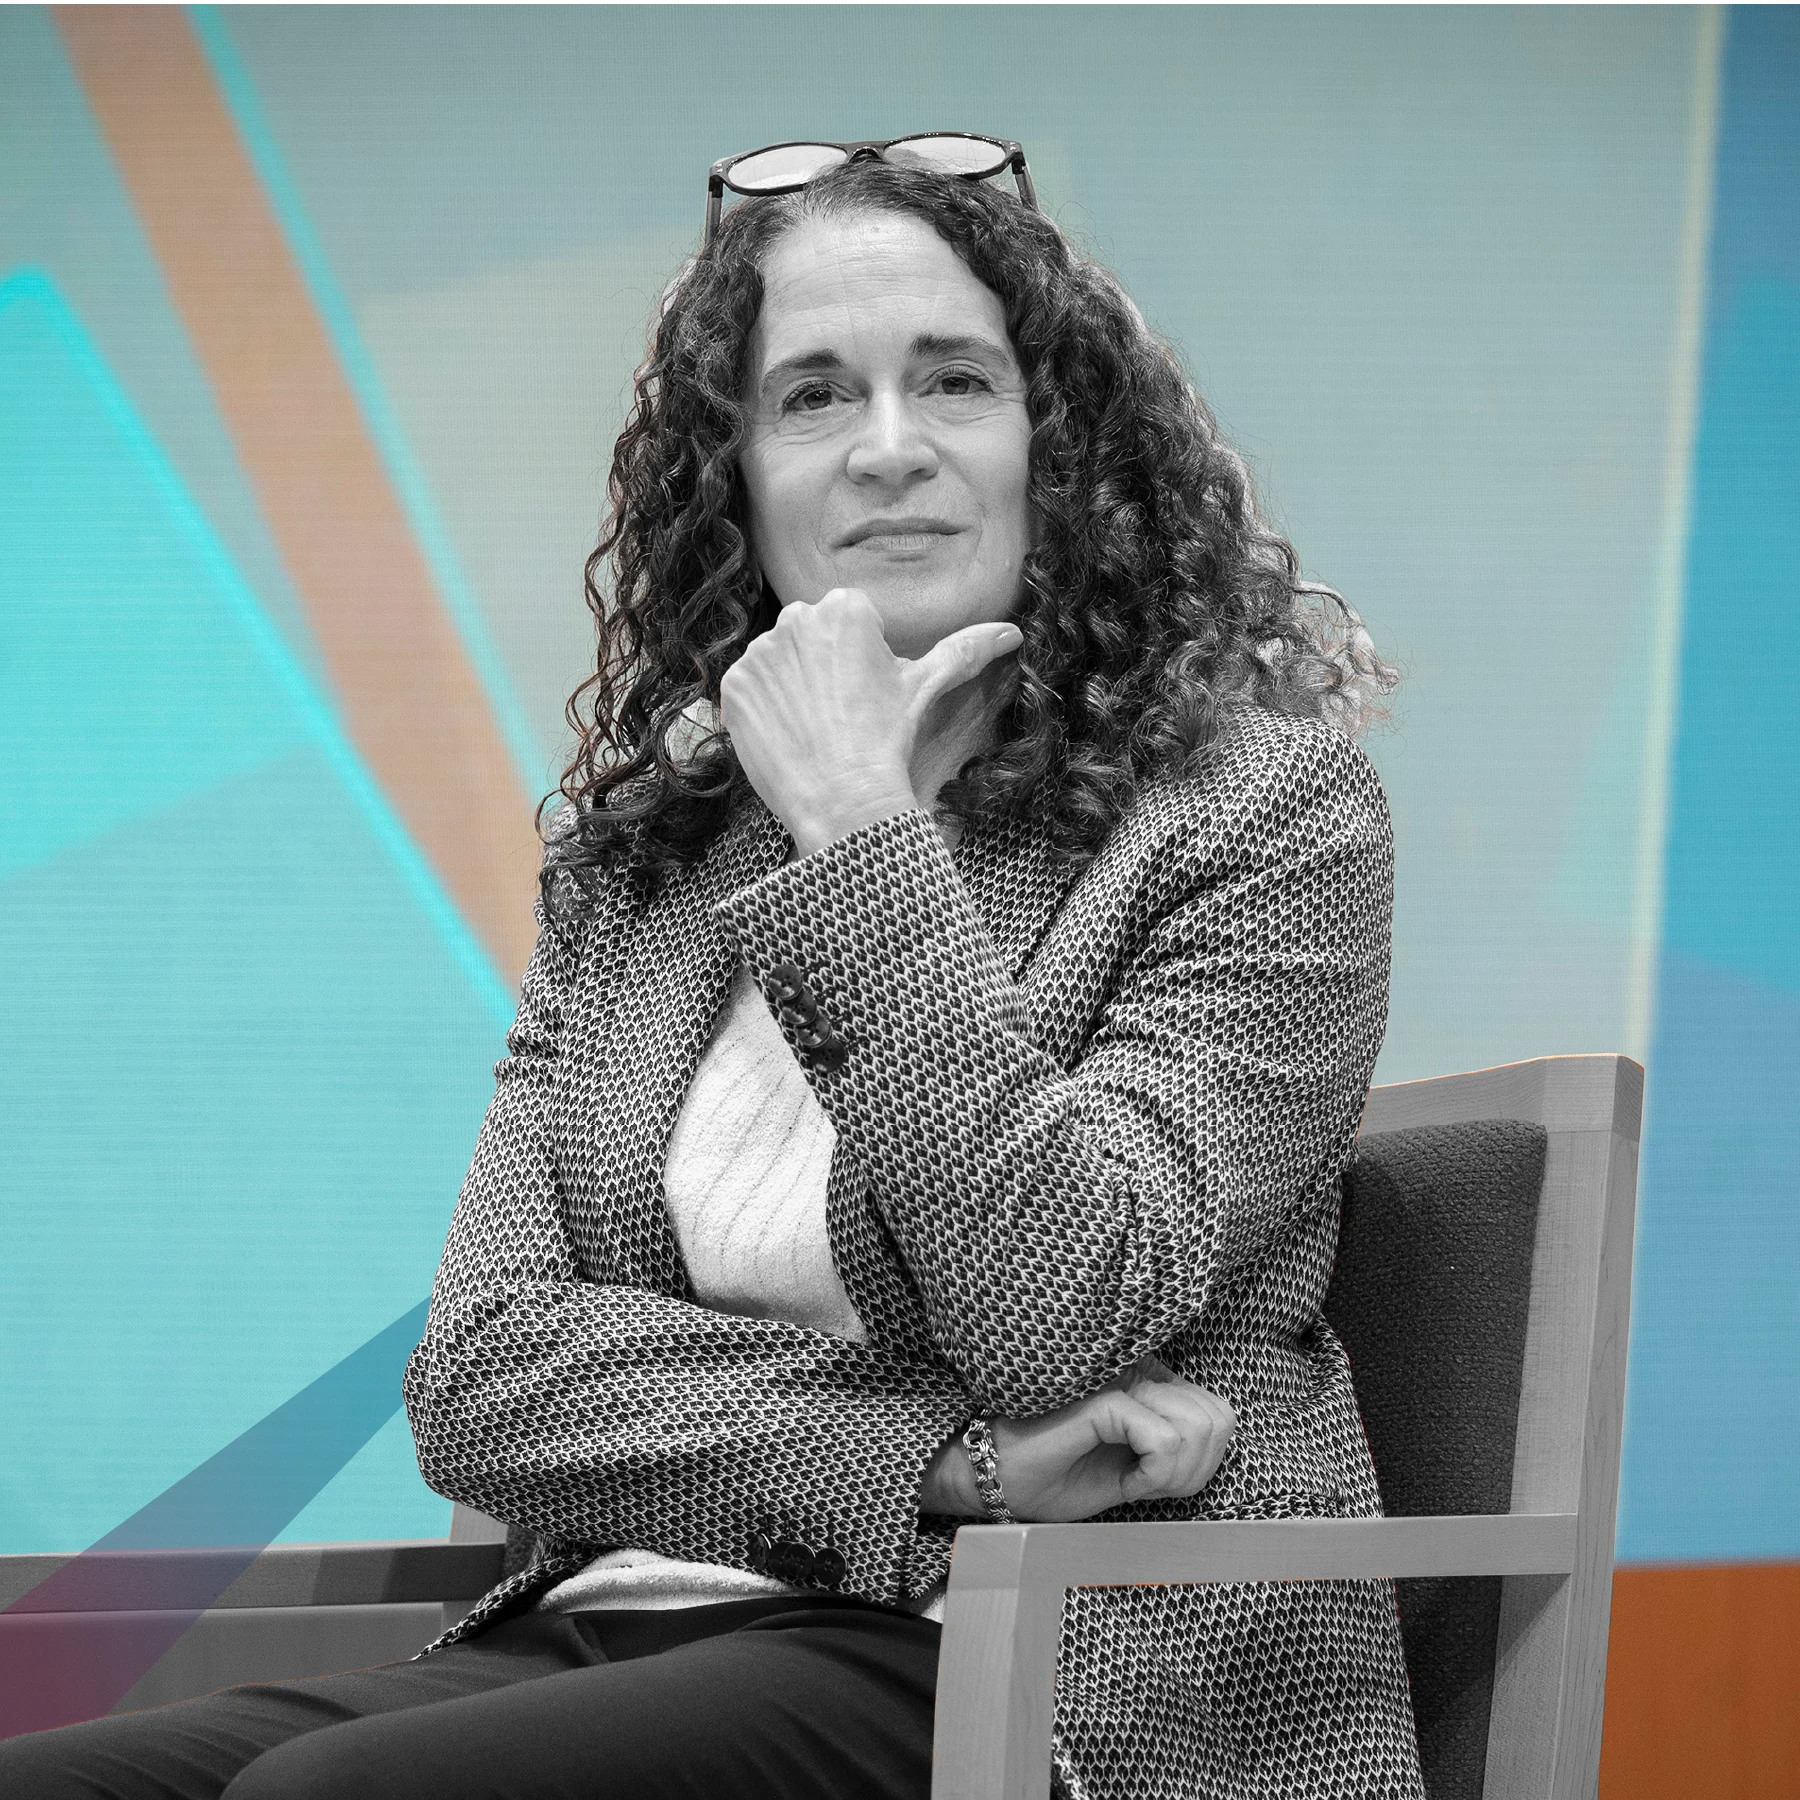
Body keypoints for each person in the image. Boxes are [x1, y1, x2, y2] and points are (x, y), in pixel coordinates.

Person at [2, 137, 1422, 1800]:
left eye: (954, 380)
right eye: (814, 396)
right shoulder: (645, 873)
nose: (891, 449)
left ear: (1058, 446)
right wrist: (941, 1454)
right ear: (737, 477)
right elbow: (481, 1378)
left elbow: (1064, 1300)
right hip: (628, 1622)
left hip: (1039, 1665)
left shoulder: (1254, 813)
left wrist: (856, 828)